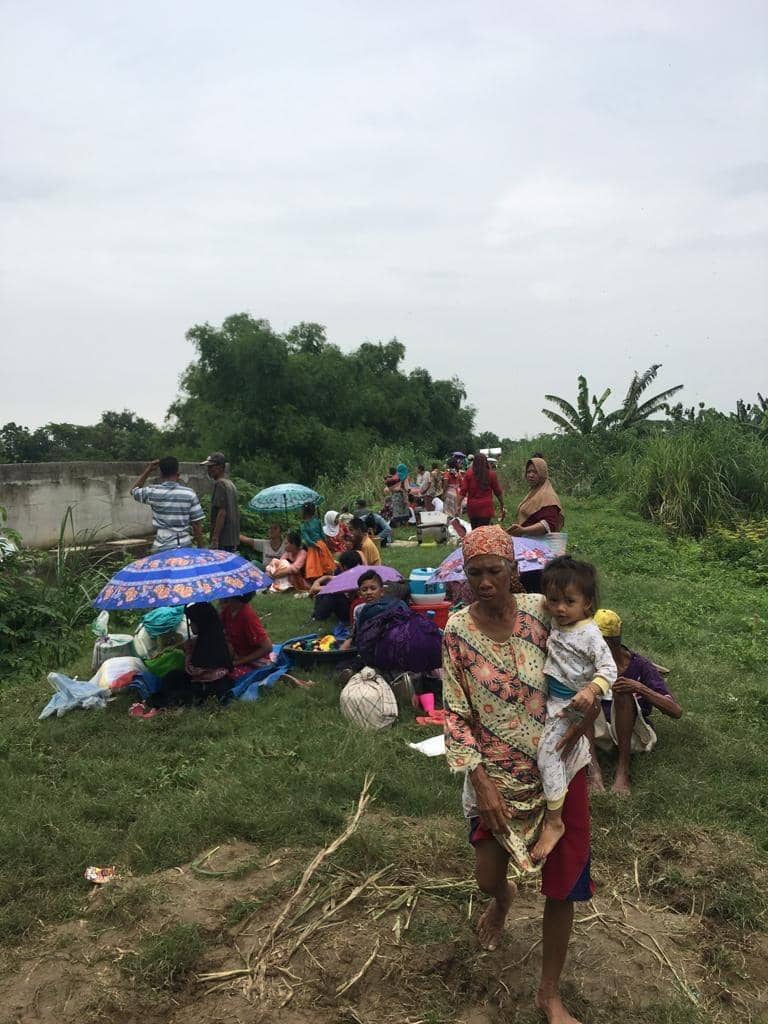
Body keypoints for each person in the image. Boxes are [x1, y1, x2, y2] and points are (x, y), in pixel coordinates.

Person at [443, 526, 595, 1024]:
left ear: (513, 569)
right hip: (497, 776)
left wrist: (592, 712)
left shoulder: (541, 611)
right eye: (475, 572)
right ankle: (502, 902)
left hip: (559, 766)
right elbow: (455, 713)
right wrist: (479, 781)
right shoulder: (457, 632)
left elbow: (586, 656)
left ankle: (548, 996)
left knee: (563, 886)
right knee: (488, 877)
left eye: (494, 570)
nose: (485, 582)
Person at [530, 557, 616, 863]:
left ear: (588, 604)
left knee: (548, 753)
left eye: (569, 602)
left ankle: (555, 821)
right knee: (558, 753)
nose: (560, 608)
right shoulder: (558, 618)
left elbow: (609, 668)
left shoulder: (589, 634)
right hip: (555, 700)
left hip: (572, 705)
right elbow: (540, 600)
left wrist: (591, 690)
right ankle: (554, 792)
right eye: (554, 601)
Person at [589, 609, 682, 796]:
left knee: (623, 691)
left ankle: (623, 771)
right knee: (585, 694)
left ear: (613, 643)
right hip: (596, 734)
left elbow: (676, 711)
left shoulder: (640, 665)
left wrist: (639, 688)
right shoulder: (586, 663)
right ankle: (593, 769)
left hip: (632, 735)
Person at [132, 602, 233, 716]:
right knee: (173, 675)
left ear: (201, 623)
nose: (190, 626)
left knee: (182, 693)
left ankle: (161, 706)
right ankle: (158, 702)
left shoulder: (209, 644)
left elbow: (193, 670)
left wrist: (188, 652)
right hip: (201, 680)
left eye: (192, 622)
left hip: (211, 685)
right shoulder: (207, 637)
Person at [508, 457, 564, 593]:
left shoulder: (547, 495)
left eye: (535, 472)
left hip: (539, 550)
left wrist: (523, 530)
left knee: (535, 583)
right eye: (528, 472)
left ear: (543, 473)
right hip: (529, 547)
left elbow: (548, 525)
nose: (531, 475)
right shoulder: (535, 492)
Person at [130, 457, 205, 552]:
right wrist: (201, 549)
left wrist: (148, 470)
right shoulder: (189, 494)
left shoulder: (153, 492)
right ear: (178, 473)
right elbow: (196, 524)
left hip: (162, 546)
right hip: (184, 544)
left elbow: (134, 491)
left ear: (161, 474)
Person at [219, 593, 272, 680]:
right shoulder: (228, 611)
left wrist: (239, 662)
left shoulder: (247, 617)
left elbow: (267, 647)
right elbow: (218, 628)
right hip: (238, 653)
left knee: (226, 674)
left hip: (254, 659)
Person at [200, 452, 240, 551]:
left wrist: (215, 538)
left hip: (223, 540)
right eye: (208, 467)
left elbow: (222, 513)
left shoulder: (220, 484)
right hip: (232, 539)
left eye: (211, 467)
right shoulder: (230, 484)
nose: (209, 470)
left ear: (221, 467)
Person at [460, 452, 505, 528]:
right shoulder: (491, 474)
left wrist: (458, 504)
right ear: (486, 462)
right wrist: (502, 504)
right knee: (484, 531)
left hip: (472, 508)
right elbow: (498, 491)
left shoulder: (468, 474)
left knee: (474, 530)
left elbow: (463, 491)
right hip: (486, 508)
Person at [299, 502, 337, 581]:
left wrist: (314, 544)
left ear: (305, 512)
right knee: (325, 562)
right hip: (321, 544)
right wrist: (324, 544)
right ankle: (326, 579)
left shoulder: (303, 525)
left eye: (301, 511)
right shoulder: (318, 521)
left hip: (313, 547)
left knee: (314, 565)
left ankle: (317, 581)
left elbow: (307, 539)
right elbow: (322, 535)